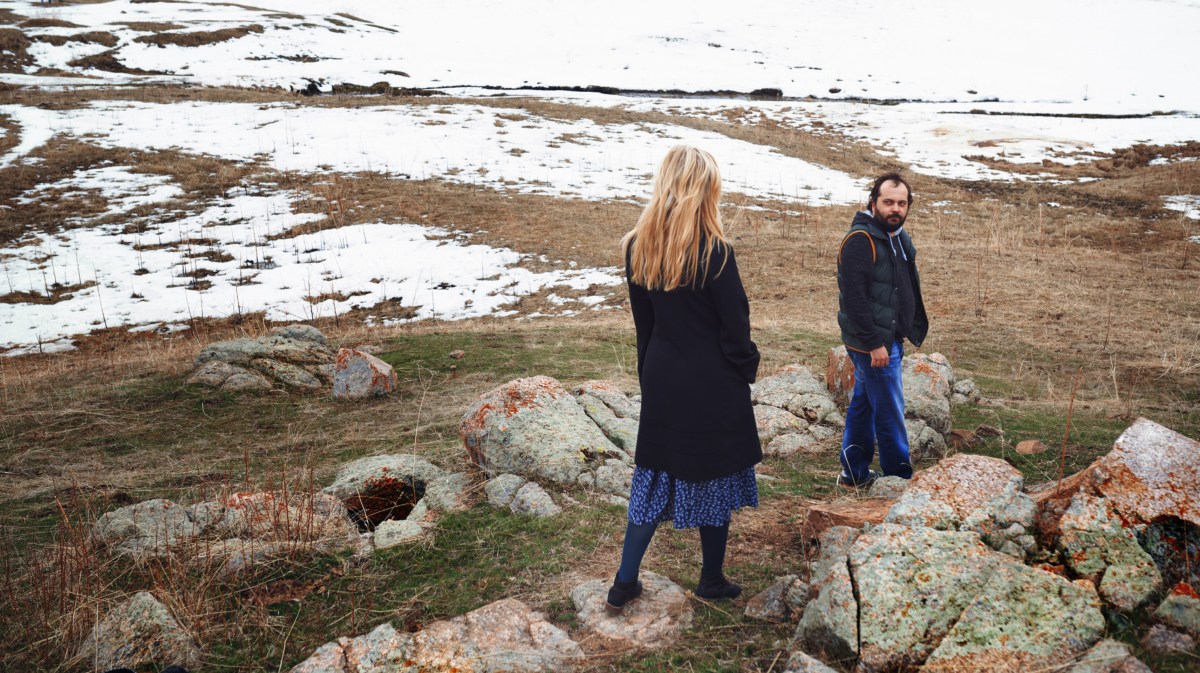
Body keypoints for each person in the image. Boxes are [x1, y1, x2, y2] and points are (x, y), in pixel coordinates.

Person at [606, 145, 761, 615]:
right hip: (711, 380)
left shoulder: (637, 245)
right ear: (703, 189)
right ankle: (711, 578)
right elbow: (735, 327)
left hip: (663, 373)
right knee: (714, 473)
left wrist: (649, 378)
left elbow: (644, 327)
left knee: (653, 476)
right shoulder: (715, 251)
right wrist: (745, 368)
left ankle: (624, 581)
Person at [835, 172, 929, 488]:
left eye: (901, 203)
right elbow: (855, 299)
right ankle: (898, 478)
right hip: (873, 344)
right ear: (873, 202)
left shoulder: (896, 236)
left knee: (863, 405)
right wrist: (876, 343)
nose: (895, 209)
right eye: (888, 202)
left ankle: (853, 471)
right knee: (889, 412)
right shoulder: (861, 241)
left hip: (887, 339)